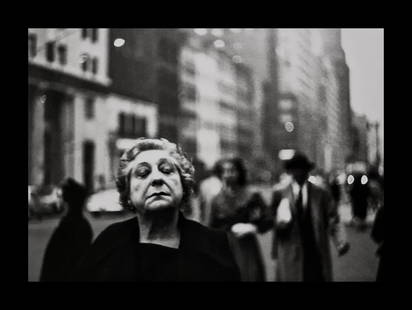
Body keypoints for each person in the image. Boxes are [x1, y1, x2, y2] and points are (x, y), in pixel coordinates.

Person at [72, 138, 240, 281]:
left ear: (183, 185)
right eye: (143, 173)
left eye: (166, 170)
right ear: (128, 192)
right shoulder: (108, 243)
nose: (157, 178)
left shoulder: (213, 245)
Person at [270, 151, 350, 282]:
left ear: (307, 171)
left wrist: (340, 241)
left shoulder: (321, 193)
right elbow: (272, 223)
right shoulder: (280, 193)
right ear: (290, 171)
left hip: (314, 250)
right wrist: (275, 252)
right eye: (295, 169)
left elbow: (333, 218)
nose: (299, 173)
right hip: (289, 251)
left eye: (303, 169)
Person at [209, 156, 272, 281]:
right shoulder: (216, 200)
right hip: (224, 248)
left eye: (232, 171)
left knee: (249, 275)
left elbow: (269, 218)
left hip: (245, 247)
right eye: (224, 171)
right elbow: (211, 226)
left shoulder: (252, 196)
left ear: (239, 172)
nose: (227, 175)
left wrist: (253, 227)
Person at [39, 178, 93, 282]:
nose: (60, 200)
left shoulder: (70, 226)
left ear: (68, 200)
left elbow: (54, 261)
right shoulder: (81, 225)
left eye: (62, 196)